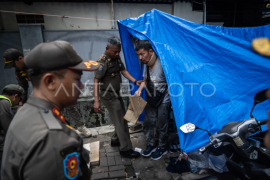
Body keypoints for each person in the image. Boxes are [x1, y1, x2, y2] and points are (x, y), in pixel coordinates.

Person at [1, 40, 100, 180]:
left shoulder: (26, 113)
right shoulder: (55, 139)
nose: (81, 86)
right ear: (50, 81)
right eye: (77, 78)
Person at [3, 48, 92, 137]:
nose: (14, 67)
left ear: (20, 58)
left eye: (14, 64)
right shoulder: (19, 71)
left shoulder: (36, 62)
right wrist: (21, 104)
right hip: (43, 91)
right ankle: (67, 131)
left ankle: (81, 127)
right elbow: (23, 88)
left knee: (70, 106)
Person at [93, 37, 140, 158]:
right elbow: (96, 81)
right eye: (115, 51)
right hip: (108, 96)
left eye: (118, 51)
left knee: (121, 119)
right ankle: (125, 149)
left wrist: (135, 81)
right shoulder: (102, 62)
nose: (117, 53)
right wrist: (96, 101)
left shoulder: (116, 57)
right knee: (121, 122)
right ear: (107, 48)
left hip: (116, 94)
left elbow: (123, 71)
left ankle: (115, 140)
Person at [135, 40, 171, 160]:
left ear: (150, 51)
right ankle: (151, 144)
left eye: (142, 54)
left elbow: (172, 83)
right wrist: (139, 89)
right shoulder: (146, 65)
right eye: (138, 55)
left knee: (162, 124)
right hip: (151, 96)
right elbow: (145, 80)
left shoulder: (162, 63)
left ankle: (162, 147)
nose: (140, 58)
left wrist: (171, 100)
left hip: (164, 98)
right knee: (148, 123)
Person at [0, 84, 24, 174]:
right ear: (15, 96)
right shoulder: (4, 103)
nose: (18, 102)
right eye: (20, 99)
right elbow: (9, 127)